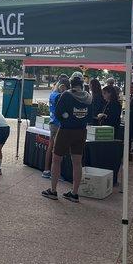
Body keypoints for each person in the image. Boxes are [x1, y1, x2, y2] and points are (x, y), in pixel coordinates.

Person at [42, 72, 92, 203]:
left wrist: (67, 117)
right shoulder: (88, 97)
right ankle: (74, 193)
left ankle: (53, 190)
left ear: (71, 82)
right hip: (81, 131)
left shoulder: (66, 95)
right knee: (77, 162)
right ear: (82, 83)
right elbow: (90, 116)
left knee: (57, 159)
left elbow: (58, 113)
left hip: (65, 130)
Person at [42, 77, 70, 179]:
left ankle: (46, 170)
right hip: (58, 124)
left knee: (51, 147)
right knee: (57, 149)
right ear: (62, 87)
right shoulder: (59, 96)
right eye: (66, 89)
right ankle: (55, 173)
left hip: (52, 122)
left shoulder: (53, 94)